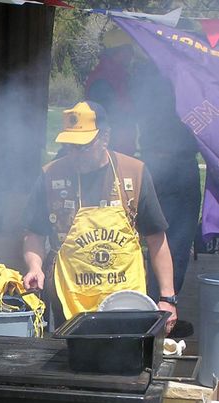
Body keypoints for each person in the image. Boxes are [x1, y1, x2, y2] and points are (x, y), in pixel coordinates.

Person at [22, 101, 177, 333]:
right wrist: (35, 266)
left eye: (82, 147)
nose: (74, 155)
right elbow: (34, 232)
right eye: (69, 146)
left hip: (127, 302)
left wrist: (168, 297)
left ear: (104, 138)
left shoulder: (134, 173)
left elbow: (156, 239)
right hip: (70, 301)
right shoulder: (50, 176)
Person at [132, 59, 201, 316]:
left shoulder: (144, 71)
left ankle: (156, 308)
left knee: (152, 238)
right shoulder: (191, 79)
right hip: (177, 166)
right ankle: (161, 309)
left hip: (154, 161)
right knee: (176, 242)